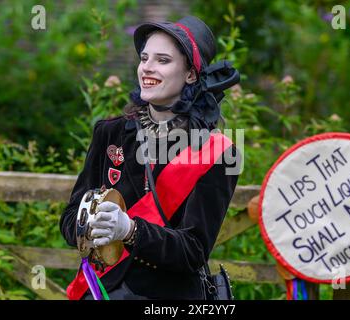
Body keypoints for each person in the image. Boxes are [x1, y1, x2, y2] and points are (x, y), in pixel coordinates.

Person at [60, 15, 241, 300]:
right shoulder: (110, 132)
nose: (147, 68)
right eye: (144, 58)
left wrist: (130, 230)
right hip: (103, 290)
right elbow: (70, 219)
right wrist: (89, 226)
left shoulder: (217, 152)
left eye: (163, 60)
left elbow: (193, 252)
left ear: (191, 74)